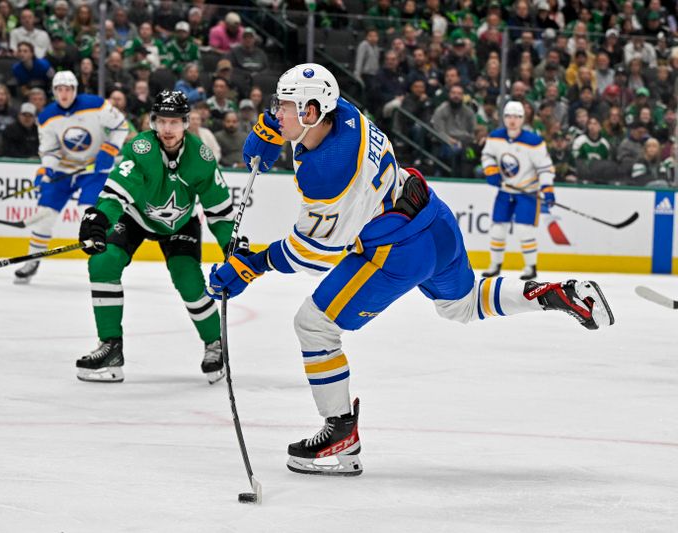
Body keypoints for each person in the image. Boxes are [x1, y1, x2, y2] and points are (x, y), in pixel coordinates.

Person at [206, 63, 615, 476]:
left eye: (284, 106)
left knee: (314, 326)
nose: (275, 111)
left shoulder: (326, 175)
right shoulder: (342, 112)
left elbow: (312, 254)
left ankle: (340, 434)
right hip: (433, 217)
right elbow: (305, 126)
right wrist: (275, 130)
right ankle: (554, 294)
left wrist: (250, 266)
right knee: (462, 304)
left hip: (395, 251)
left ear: (311, 112)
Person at [75, 90, 236, 384]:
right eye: (162, 121)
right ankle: (111, 347)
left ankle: (214, 343)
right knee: (103, 262)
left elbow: (221, 214)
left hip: (180, 225)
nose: (167, 129)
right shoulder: (140, 149)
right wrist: (100, 218)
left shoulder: (201, 157)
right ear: (153, 122)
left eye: (174, 122)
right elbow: (116, 193)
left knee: (188, 280)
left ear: (186, 123)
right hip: (135, 218)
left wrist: (232, 247)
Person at [14, 71, 129, 284]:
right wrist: (45, 169)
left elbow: (120, 125)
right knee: (44, 214)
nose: (64, 94)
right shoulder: (47, 116)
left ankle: (105, 261)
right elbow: (50, 151)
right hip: (64, 170)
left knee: (89, 214)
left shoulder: (95, 104)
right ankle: (32, 260)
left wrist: (110, 149)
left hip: (94, 168)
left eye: (68, 89)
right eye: (59, 90)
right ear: (54, 92)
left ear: (75, 90)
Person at [480, 101, 555, 281]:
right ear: (504, 118)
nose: (512, 120)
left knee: (524, 230)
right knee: (497, 228)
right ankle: (495, 265)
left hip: (527, 192)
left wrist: (548, 188)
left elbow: (545, 167)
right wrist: (491, 171)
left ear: (523, 119)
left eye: (517, 117)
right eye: (509, 116)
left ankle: (530, 267)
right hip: (505, 191)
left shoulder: (534, 142)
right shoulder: (495, 137)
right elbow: (487, 155)